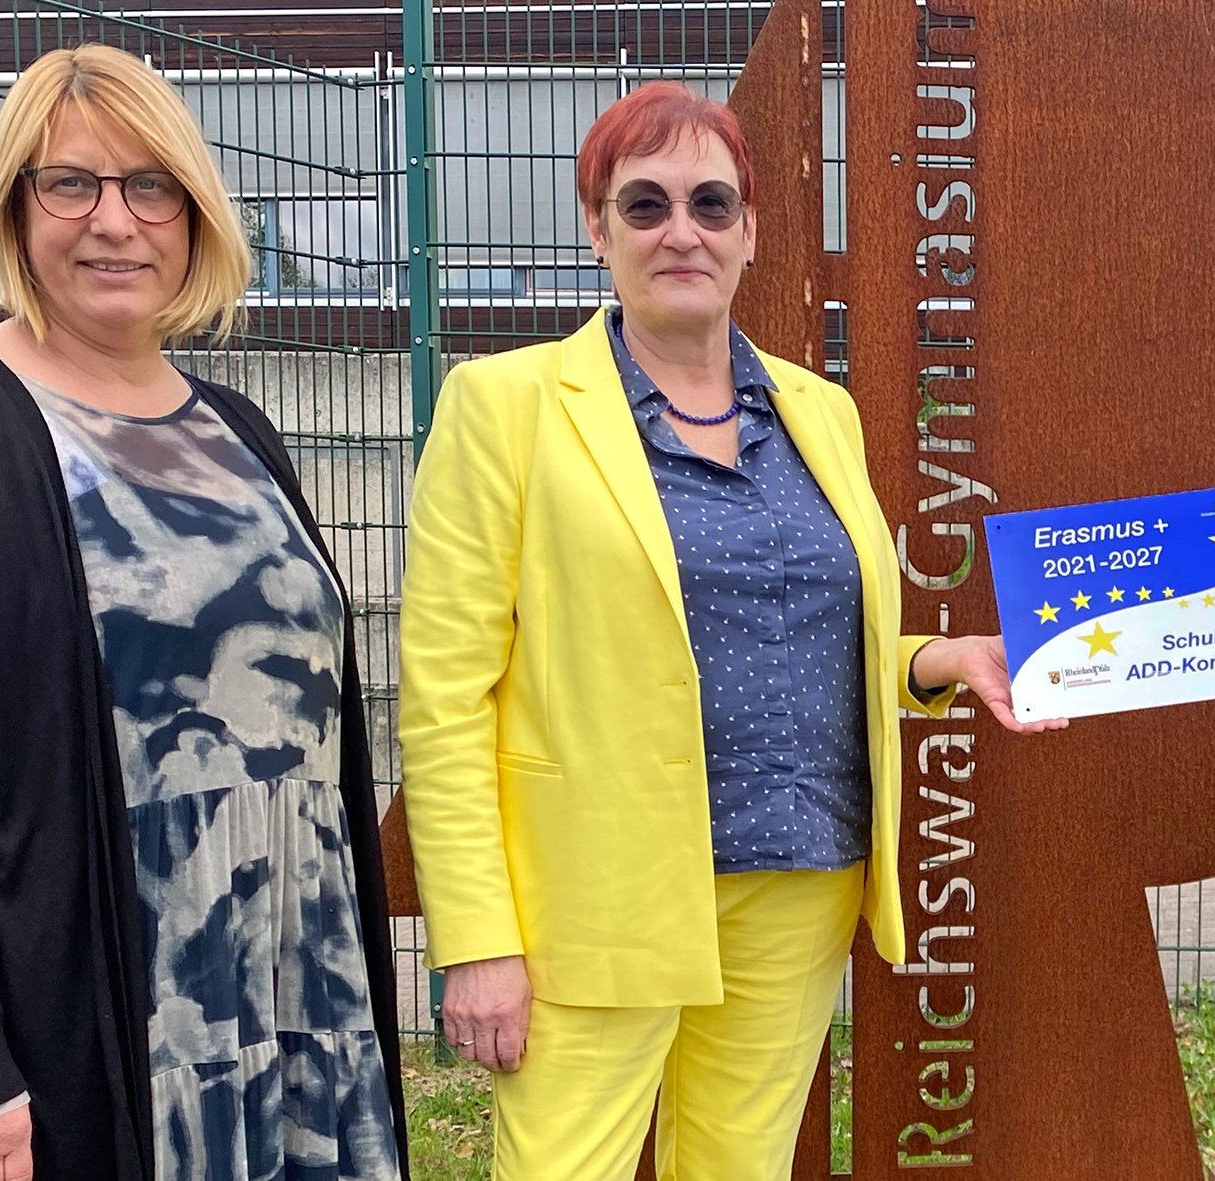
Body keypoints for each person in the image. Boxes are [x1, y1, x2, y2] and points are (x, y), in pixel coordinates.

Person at [396, 82, 1057, 1181]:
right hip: (594, 897)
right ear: (597, 228)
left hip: (798, 872)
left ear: (749, 230)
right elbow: (445, 699)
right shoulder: (503, 406)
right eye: (644, 204)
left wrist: (941, 661)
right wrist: (477, 939)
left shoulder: (817, 411)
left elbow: (805, 637)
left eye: (710, 203)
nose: (681, 232)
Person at [0, 44, 406, 1181]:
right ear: (16, 207)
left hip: (301, 1003)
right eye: (70, 183)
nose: (114, 221)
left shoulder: (239, 432)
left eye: (150, 186)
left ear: (193, 214)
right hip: (95, 1041)